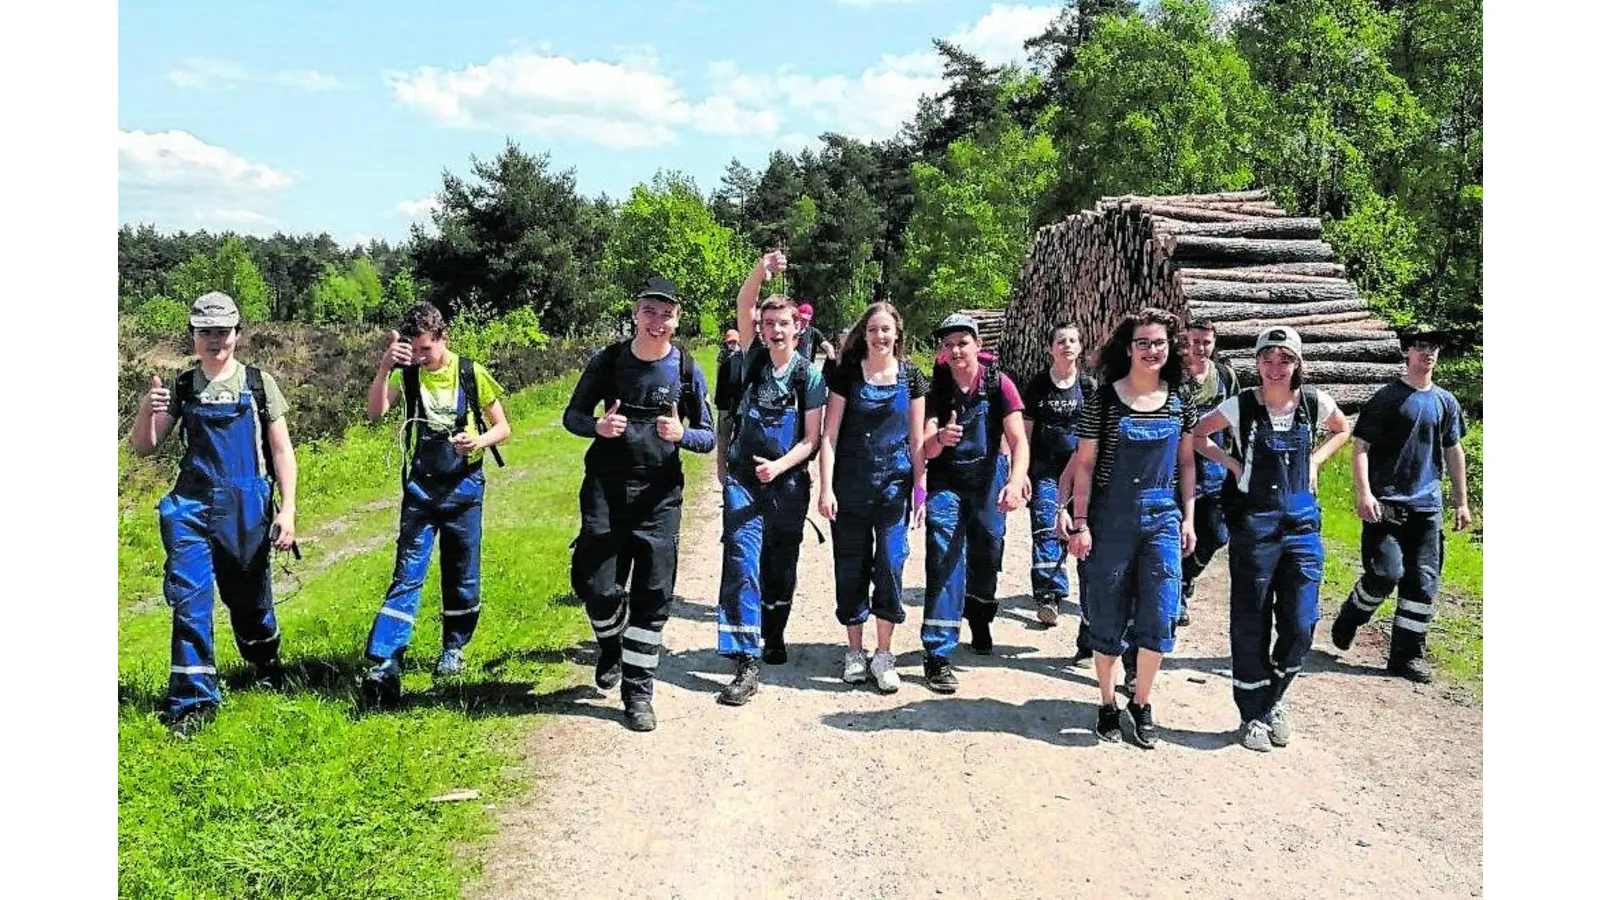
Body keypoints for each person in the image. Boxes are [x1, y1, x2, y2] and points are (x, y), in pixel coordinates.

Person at [129, 291, 299, 737]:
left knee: (249, 601)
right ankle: (193, 701)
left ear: (237, 335)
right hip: (191, 506)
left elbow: (281, 451)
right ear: (193, 336)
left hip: (246, 507)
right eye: (205, 332)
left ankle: (264, 658)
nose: (214, 340)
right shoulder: (183, 387)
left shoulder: (259, 384)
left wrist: (289, 509)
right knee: (190, 601)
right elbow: (145, 446)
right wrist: (148, 408)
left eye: (222, 331)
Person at [563, 276, 715, 731]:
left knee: (652, 595)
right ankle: (610, 643)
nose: (657, 322)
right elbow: (571, 416)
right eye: (649, 311)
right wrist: (597, 428)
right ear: (635, 312)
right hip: (606, 489)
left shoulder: (686, 368)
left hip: (660, 495)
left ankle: (638, 690)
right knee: (596, 585)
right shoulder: (608, 361)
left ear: (677, 318)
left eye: (666, 314)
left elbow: (708, 437)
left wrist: (681, 434)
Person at [1192, 326, 1351, 751]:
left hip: (1301, 526)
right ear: (1257, 362)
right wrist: (1232, 464)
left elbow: (1342, 428)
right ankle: (1252, 715)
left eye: (1285, 359)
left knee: (1301, 621)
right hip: (1255, 525)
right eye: (1268, 358)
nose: (1276, 367)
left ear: (1298, 363)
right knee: (1251, 618)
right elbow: (1198, 434)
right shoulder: (1241, 404)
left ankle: (1275, 697)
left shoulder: (1315, 404)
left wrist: (1315, 462)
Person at [360, 302, 512, 706]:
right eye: (415, 350)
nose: (422, 358)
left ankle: (453, 649)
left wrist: (477, 441)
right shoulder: (407, 375)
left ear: (443, 338)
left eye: (427, 349)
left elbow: (503, 427)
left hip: (465, 488)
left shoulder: (470, 372)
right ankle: (385, 662)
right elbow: (375, 413)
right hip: (421, 491)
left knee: (462, 572)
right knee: (407, 573)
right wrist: (384, 369)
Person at [1061, 307, 1197, 749]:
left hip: (1162, 518)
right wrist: (1080, 522)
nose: (1151, 350)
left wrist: (1189, 517)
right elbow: (1084, 464)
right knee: (1107, 611)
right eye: (1143, 343)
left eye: (1158, 342)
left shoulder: (1181, 397)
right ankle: (1106, 703)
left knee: (1160, 612)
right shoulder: (1102, 399)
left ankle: (1140, 703)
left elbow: (1187, 462)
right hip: (1110, 517)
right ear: (1128, 347)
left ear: (1168, 347)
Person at [713, 251, 827, 706]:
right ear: (760, 328)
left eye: (783, 324)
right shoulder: (752, 361)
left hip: (789, 483)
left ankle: (774, 632)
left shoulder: (809, 376)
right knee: (742, 561)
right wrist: (761, 270)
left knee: (780, 564)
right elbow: (744, 302)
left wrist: (780, 467)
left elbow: (812, 439)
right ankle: (746, 659)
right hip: (745, 478)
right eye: (768, 323)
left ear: (797, 329)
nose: (775, 331)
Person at [1328, 324, 1471, 683]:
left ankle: (1407, 657)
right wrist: (1364, 493)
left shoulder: (1445, 402)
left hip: (1427, 510)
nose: (1428, 353)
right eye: (1421, 346)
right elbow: (1361, 447)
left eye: (1434, 346)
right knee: (1385, 574)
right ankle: (1352, 615)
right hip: (1386, 507)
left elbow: (1453, 451)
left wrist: (1461, 502)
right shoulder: (1387, 398)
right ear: (1407, 351)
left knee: (1423, 584)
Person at [817, 303, 928, 693]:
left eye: (886, 330)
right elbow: (828, 436)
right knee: (851, 566)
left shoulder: (912, 376)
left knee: (891, 563)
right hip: (850, 486)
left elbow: (917, 440)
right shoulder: (847, 374)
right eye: (873, 330)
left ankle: (884, 653)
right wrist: (825, 488)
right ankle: (854, 651)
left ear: (897, 333)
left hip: (893, 488)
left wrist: (919, 489)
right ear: (864, 335)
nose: (880, 337)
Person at [919, 313, 1029, 693]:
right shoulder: (937, 389)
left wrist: (1015, 482)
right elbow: (926, 446)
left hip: (988, 479)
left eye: (962, 343)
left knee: (987, 552)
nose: (955, 350)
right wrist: (940, 440)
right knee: (943, 556)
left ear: (978, 346)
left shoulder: (1000, 384)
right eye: (948, 345)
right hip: (947, 481)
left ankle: (980, 616)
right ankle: (937, 653)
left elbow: (1018, 440)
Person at [1020, 323, 1097, 657]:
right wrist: (1019, 472)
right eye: (1061, 341)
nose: (1067, 345)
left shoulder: (1089, 387)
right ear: (1050, 348)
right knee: (1047, 525)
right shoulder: (1038, 385)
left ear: (1080, 348)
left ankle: (1090, 602)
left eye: (1073, 341)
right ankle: (1049, 594)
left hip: (1081, 470)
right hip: (1045, 469)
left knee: (1078, 529)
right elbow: (1024, 431)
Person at [1176, 318, 1240, 627]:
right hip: (1177, 470)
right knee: (1176, 536)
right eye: (1194, 341)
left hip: (1215, 470)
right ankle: (1175, 596)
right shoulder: (1173, 378)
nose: (1199, 348)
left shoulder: (1225, 376)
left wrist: (1238, 462)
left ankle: (1185, 578)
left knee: (1216, 534)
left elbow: (1237, 420)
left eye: (1206, 342)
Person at [714, 329, 746, 485]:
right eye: (730, 342)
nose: (732, 345)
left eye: (734, 342)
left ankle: (737, 472)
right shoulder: (724, 358)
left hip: (740, 406)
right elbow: (720, 381)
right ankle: (722, 471)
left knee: (740, 440)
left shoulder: (746, 357)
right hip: (725, 405)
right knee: (723, 438)